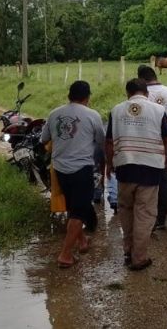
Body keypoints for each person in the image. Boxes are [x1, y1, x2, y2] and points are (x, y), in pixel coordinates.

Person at [105, 78, 167, 271]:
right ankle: (139, 258)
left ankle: (128, 250)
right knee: (144, 213)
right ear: (146, 93)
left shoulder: (116, 110)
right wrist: (165, 156)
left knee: (126, 209)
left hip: (125, 168)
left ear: (128, 93)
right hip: (150, 169)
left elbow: (109, 142)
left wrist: (109, 164)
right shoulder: (158, 110)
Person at [40, 80, 106, 268]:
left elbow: (44, 139)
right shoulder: (92, 115)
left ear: (69, 95)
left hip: (60, 168)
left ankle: (82, 241)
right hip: (81, 169)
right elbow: (101, 141)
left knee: (73, 207)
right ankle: (65, 255)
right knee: (80, 211)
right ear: (88, 97)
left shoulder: (54, 114)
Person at [138, 64, 167, 231]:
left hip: (147, 143)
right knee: (162, 180)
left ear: (141, 79)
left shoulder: (142, 96)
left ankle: (146, 216)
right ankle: (161, 218)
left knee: (145, 182)